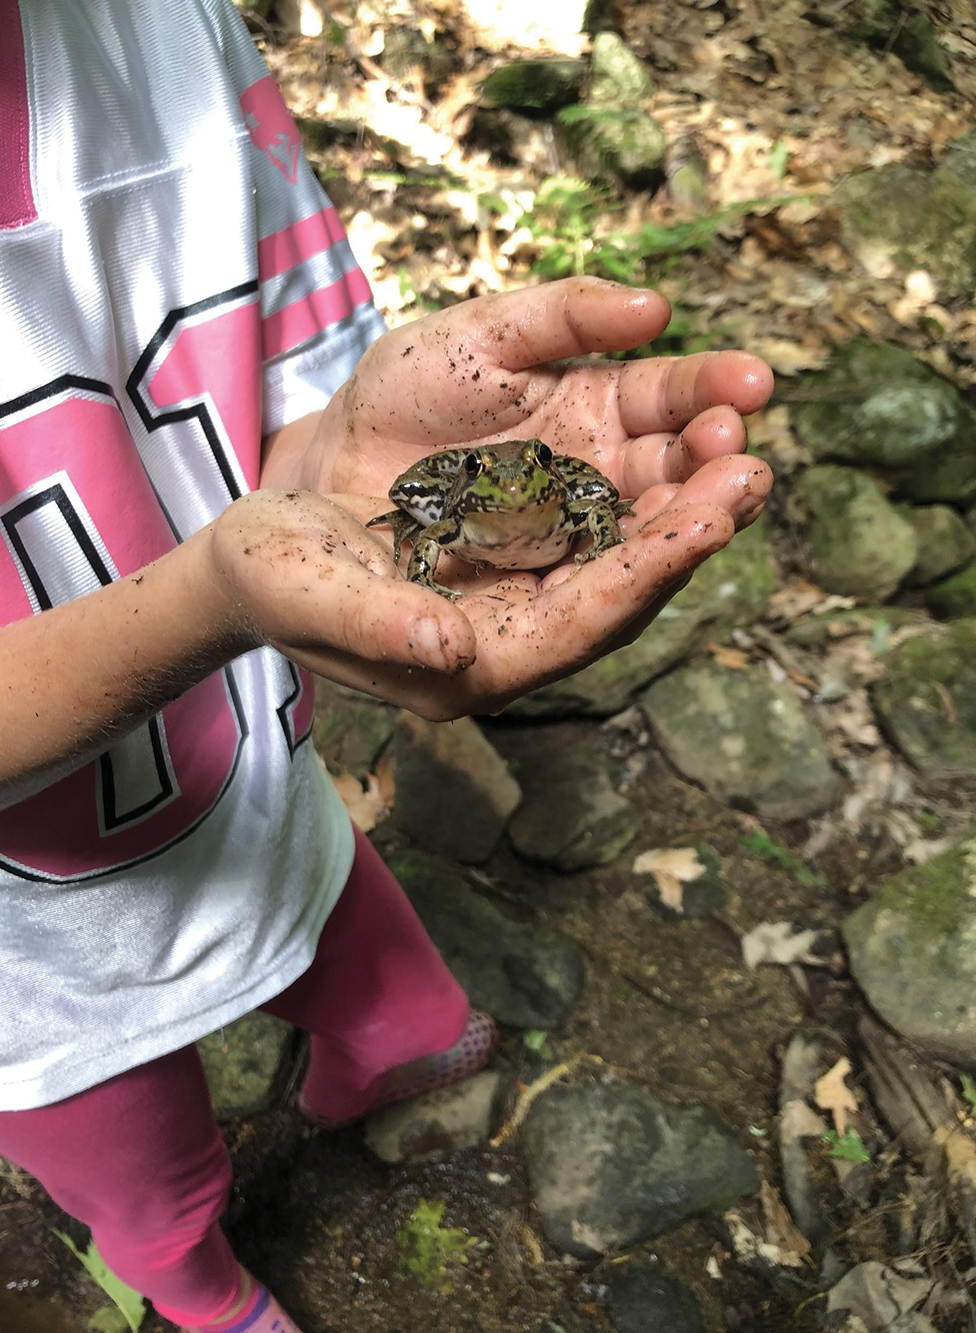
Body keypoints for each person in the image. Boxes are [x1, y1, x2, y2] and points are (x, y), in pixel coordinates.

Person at [0, 1, 774, 1331]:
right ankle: (211, 1290)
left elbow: (297, 427)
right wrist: (217, 594)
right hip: (37, 962)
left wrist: (327, 453)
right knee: (127, 1133)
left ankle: (407, 1047)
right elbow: (336, 541)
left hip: (249, 767)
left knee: (328, 893)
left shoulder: (162, 31)